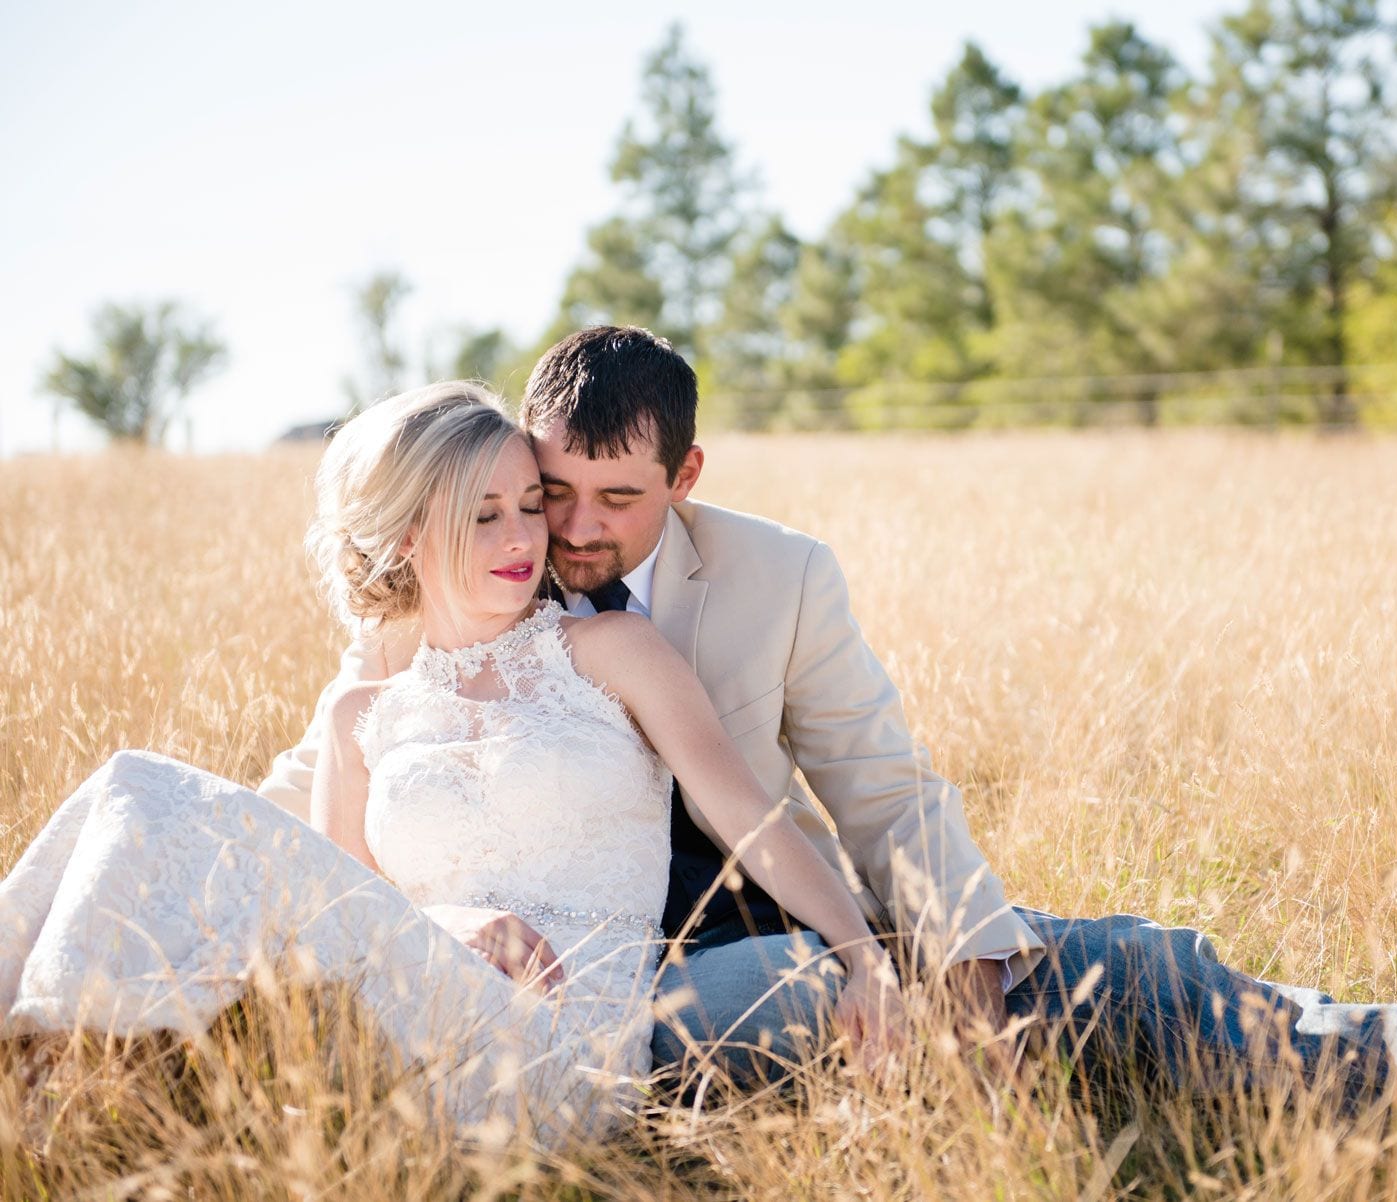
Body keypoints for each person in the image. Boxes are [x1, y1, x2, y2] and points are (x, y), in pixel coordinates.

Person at [262, 327, 1397, 1126]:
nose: (563, 533)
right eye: (537, 492)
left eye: (607, 501)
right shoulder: (435, 619)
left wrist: (951, 951)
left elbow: (875, 788)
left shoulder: (770, 576)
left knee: (1123, 977)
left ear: (686, 476)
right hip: (592, 996)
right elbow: (335, 818)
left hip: (764, 922)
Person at [0, 382, 900, 1148]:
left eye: (527, 506)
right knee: (133, 787)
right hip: (401, 1022)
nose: (523, 538)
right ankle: (45, 1078)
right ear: (404, 538)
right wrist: (452, 918)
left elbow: (750, 816)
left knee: (140, 788)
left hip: (570, 1044)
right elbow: (336, 914)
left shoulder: (611, 652)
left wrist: (866, 960)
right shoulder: (360, 715)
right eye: (483, 515)